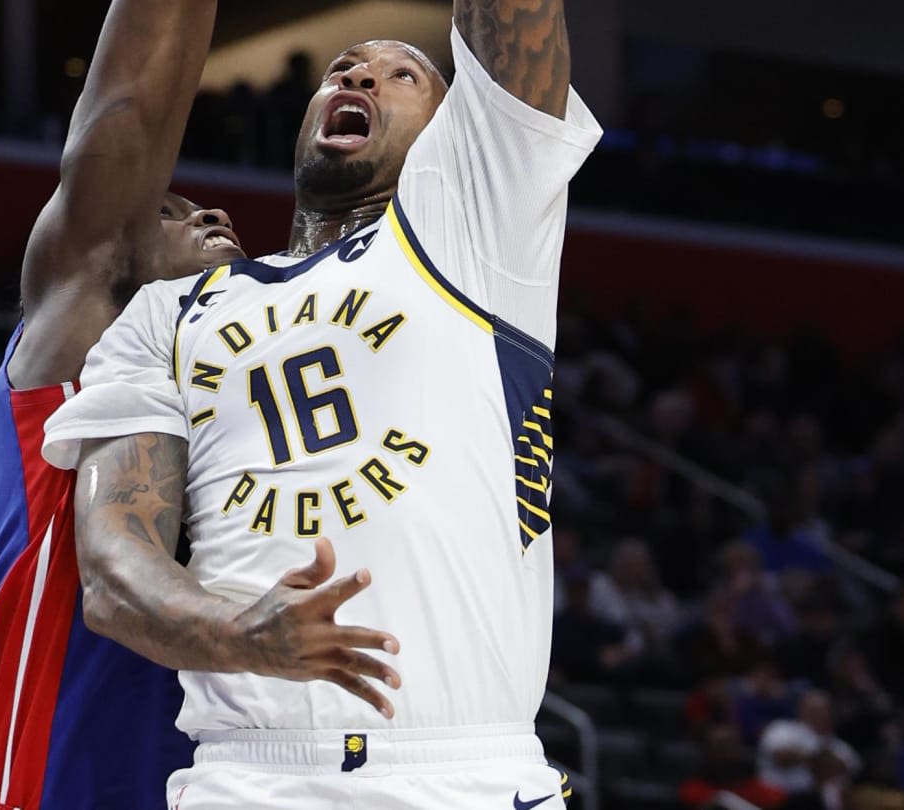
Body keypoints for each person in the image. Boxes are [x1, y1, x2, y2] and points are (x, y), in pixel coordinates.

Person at [43, 0, 601, 806]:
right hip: (245, 774)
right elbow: (115, 571)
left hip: (465, 773)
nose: (360, 73)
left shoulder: (473, 223)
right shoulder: (168, 315)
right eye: (342, 69)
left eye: (401, 74)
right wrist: (240, 636)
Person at [0, 0, 246, 807]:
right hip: (46, 785)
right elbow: (128, 111)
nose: (214, 214)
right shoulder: (79, 334)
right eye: (169, 211)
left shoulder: (229, 414)